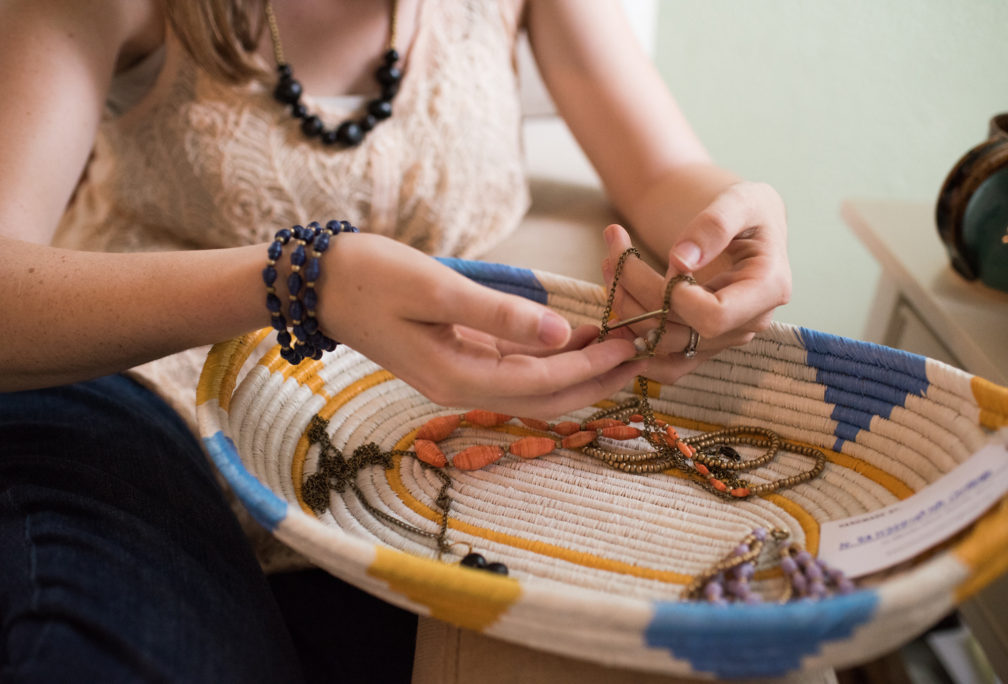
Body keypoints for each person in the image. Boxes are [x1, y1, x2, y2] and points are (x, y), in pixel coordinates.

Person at [0, 0, 791, 681]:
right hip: (139, 408)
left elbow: (660, 174)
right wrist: (300, 284)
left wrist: (726, 224)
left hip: (401, 448)